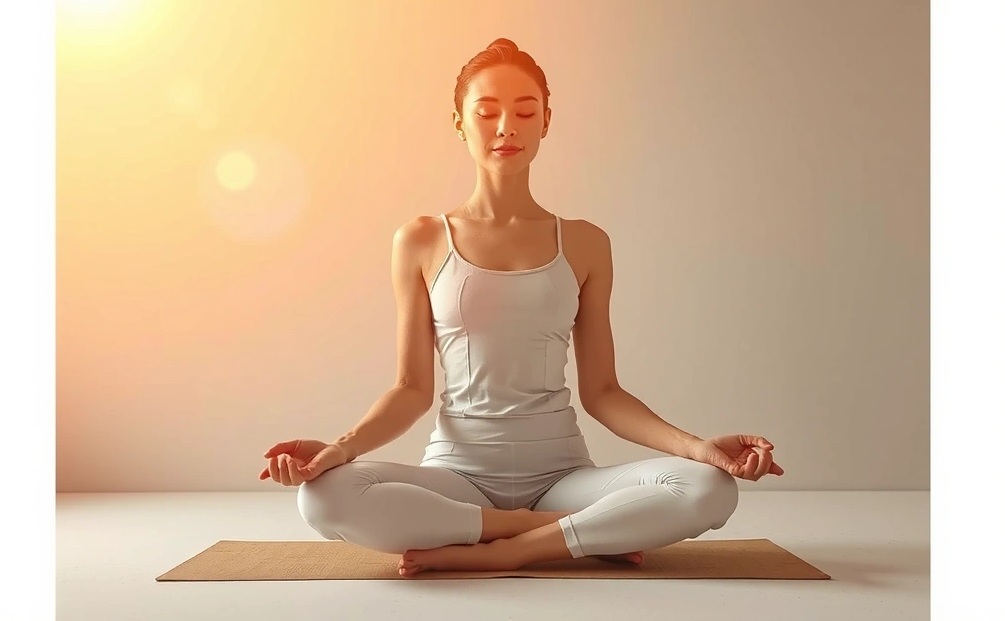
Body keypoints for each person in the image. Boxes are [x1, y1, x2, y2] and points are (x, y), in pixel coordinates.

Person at [259, 38, 785, 578]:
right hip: (458, 475)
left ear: (546, 122)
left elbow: (603, 392)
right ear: (460, 122)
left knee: (709, 488)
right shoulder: (420, 240)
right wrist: (340, 451)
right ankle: (561, 531)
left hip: (562, 474)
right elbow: (411, 388)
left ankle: (512, 549)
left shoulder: (585, 243)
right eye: (487, 112)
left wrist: (698, 448)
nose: (506, 127)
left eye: (525, 112)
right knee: (324, 498)